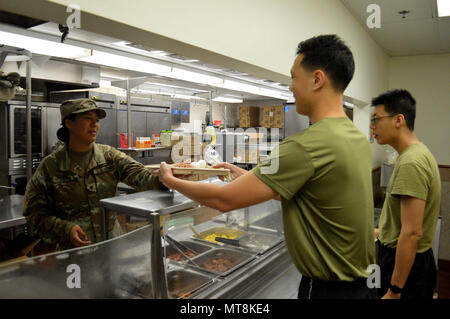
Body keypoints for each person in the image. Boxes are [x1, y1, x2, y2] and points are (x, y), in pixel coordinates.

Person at [157, 34, 376, 299]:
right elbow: (301, 188)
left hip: (326, 290)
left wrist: (170, 179)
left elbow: (223, 200)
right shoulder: (356, 137)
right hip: (360, 286)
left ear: (317, 79)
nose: (291, 87)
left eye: (294, 77)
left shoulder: (305, 146)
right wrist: (243, 175)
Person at [23, 98, 165, 251]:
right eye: (87, 119)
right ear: (69, 123)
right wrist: (65, 229)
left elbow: (143, 177)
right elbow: (33, 215)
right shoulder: (51, 167)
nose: (94, 125)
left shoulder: (110, 157)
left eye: (96, 120)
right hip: (74, 252)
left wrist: (169, 178)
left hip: (112, 246)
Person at [371, 89, 441, 299]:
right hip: (407, 260)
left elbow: (411, 233)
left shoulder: (412, 162)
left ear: (398, 120)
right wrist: (380, 232)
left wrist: (395, 290)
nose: (372, 126)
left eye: (376, 119)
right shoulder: (413, 154)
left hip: (407, 270)